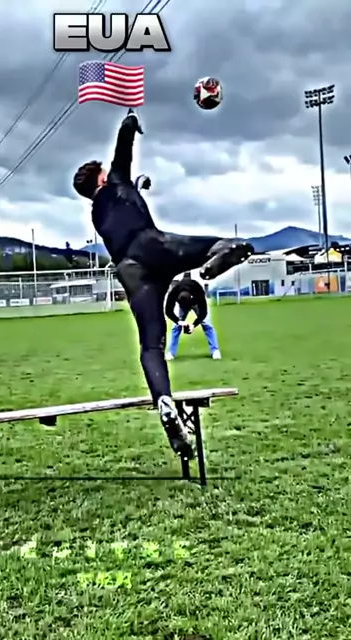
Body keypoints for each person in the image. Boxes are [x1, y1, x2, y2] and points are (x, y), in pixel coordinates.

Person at [72, 108, 254, 458]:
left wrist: (136, 187)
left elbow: (125, 202)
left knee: (151, 346)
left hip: (130, 271)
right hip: (152, 247)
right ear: (100, 179)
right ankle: (210, 266)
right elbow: (123, 153)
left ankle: (164, 402)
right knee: (228, 244)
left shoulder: (97, 212)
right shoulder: (115, 183)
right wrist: (129, 123)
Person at [164, 273, 221, 361]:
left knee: (207, 325)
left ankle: (215, 351)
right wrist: (179, 321)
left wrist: (194, 324)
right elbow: (168, 311)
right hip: (182, 305)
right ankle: (171, 352)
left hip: (196, 304)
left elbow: (203, 313)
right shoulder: (174, 292)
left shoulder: (197, 290)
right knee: (176, 327)